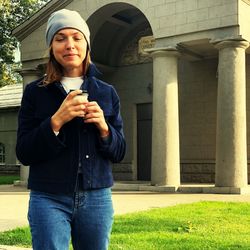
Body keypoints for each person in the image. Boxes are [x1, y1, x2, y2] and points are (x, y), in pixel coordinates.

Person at [16, 9, 126, 250]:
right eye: (60, 38)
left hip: (97, 196)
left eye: (76, 37)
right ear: (51, 47)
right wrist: (55, 122)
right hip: (48, 196)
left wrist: (104, 128)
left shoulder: (107, 92)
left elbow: (119, 152)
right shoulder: (35, 92)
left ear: (86, 45)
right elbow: (24, 152)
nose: (69, 45)